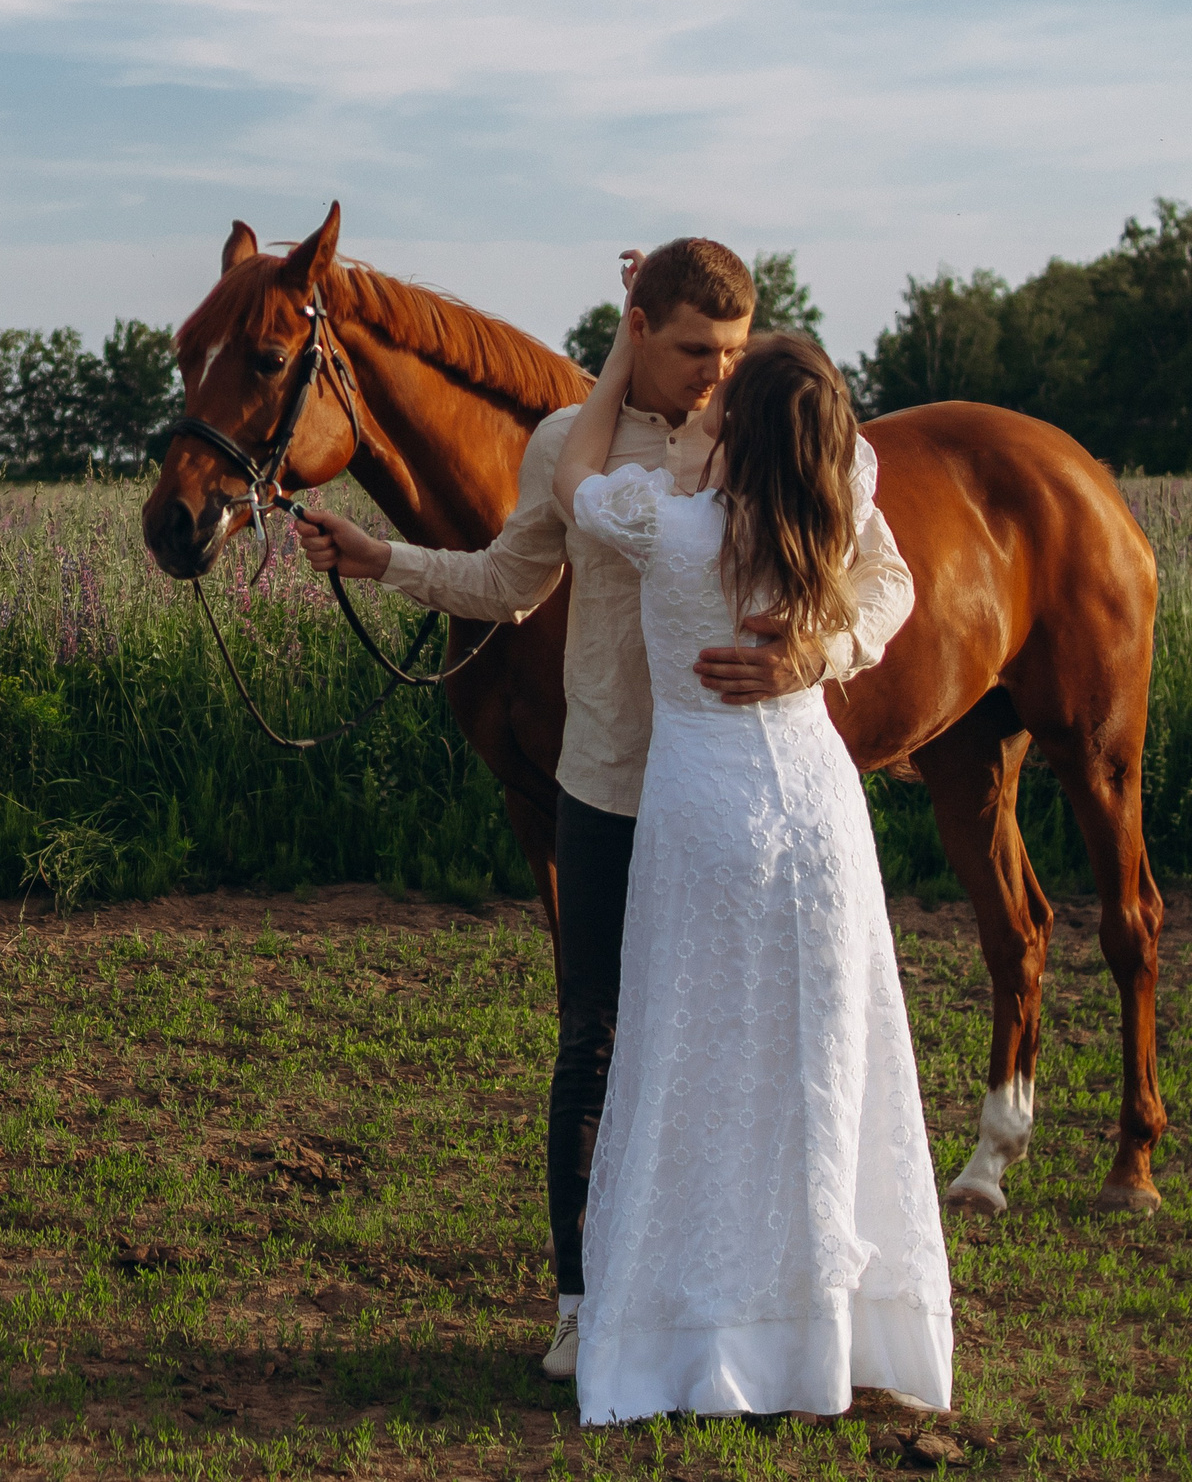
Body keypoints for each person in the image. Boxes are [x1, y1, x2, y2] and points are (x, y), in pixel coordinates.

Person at [295, 238, 917, 1379]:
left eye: (733, 353)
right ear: (638, 328)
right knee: (594, 1039)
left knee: (735, 1046)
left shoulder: (775, 439)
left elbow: (883, 577)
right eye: (693, 351)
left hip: (736, 795)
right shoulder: (566, 451)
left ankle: (733, 1291)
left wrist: (820, 654)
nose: (716, 375)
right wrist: (378, 559)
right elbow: (507, 580)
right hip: (614, 786)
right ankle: (583, 1301)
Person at [548, 269, 952, 1418]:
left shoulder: (665, 527)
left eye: (729, 379)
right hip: (817, 813)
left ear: (736, 422)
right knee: (824, 1058)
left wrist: (821, 650)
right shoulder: (831, 496)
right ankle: (824, 1330)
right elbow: (863, 540)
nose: (711, 384)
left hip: (705, 815)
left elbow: (578, 480)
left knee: (689, 1056)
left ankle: (690, 1327)